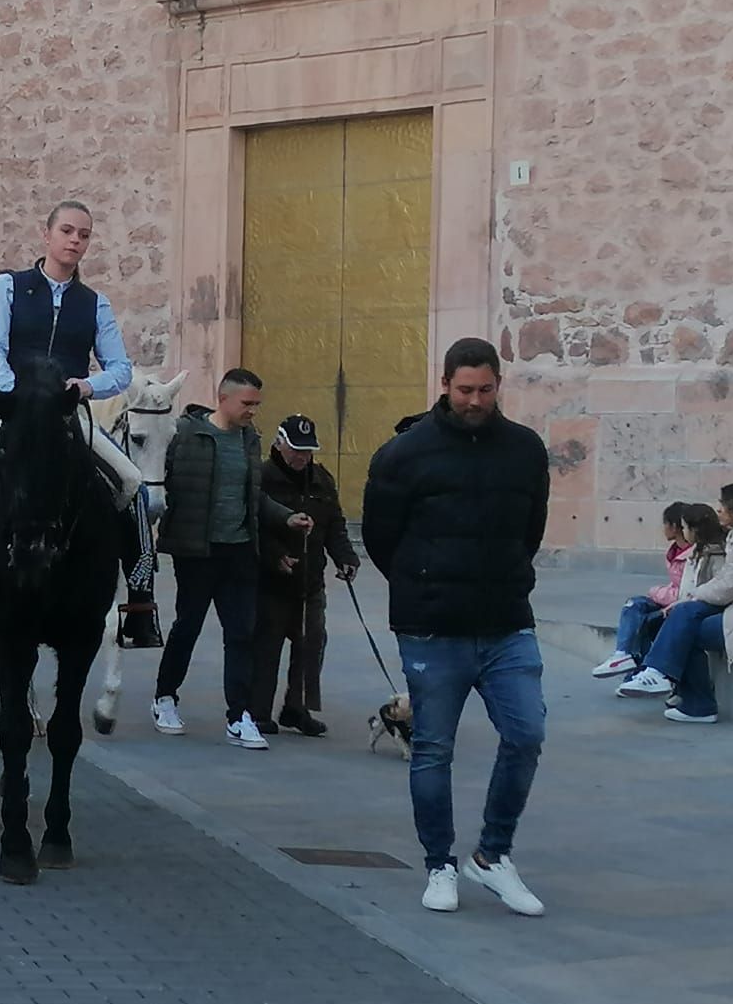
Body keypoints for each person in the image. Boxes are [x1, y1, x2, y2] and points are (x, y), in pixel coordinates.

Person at [0, 199, 161, 649]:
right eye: (66, 231)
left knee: (132, 484)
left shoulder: (94, 304)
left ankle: (139, 605)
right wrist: (18, 398)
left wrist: (87, 387)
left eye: (83, 234)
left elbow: (120, 369)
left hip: (67, 415)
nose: (75, 241)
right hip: (11, 410)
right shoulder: (9, 286)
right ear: (47, 236)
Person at [363, 337, 551, 917]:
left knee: (526, 734)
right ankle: (439, 864)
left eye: (486, 390)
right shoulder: (403, 454)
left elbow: (531, 530)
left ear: (499, 386)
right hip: (431, 628)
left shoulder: (525, 449)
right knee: (432, 750)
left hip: (506, 625)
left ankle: (492, 856)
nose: (475, 400)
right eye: (465, 390)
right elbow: (379, 537)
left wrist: (508, 575)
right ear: (444, 385)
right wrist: (422, 583)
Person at [152, 369, 309, 746]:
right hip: (197, 550)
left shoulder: (249, 440)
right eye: (247, 403)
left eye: (257, 404)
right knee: (187, 627)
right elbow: (158, 479)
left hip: (239, 550)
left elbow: (254, 497)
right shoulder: (185, 435)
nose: (253, 411)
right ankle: (165, 697)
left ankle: (239, 716)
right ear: (223, 398)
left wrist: (285, 517)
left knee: (240, 633)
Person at [618, 483, 733, 722]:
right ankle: (686, 696)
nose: (719, 511)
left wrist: (693, 597)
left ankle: (680, 690)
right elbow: (727, 583)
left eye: (724, 506)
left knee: (686, 621)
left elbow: (730, 586)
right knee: (684, 618)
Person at [248, 414, 359, 739]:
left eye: (308, 451)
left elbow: (335, 523)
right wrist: (274, 556)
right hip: (272, 581)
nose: (302, 457)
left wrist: (346, 558)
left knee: (312, 643)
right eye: (296, 449)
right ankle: (258, 712)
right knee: (267, 647)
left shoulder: (321, 479)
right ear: (279, 444)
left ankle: (297, 708)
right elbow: (253, 525)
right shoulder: (263, 478)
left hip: (311, 581)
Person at [591, 504, 691, 679]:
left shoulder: (691, 555)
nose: (663, 529)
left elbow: (686, 591)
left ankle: (639, 672)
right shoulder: (675, 551)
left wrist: (656, 592)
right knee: (634, 605)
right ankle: (622, 655)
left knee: (647, 620)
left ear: (675, 527)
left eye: (665, 524)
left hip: (681, 604)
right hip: (671, 598)